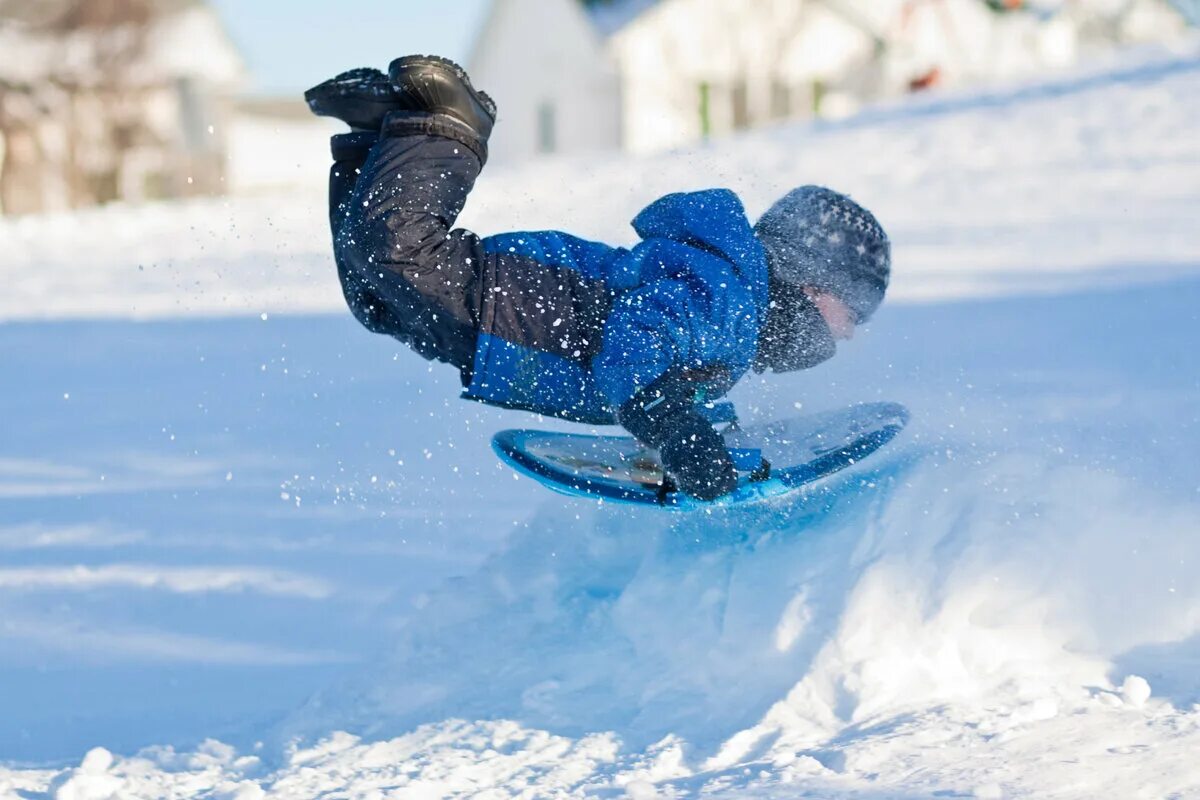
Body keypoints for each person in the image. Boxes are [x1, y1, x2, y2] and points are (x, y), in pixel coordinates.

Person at [306, 56, 891, 501]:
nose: (849, 335)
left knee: (377, 299)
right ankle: (449, 125)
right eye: (853, 315)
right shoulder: (732, 298)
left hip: (506, 328)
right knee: (402, 254)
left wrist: (699, 425)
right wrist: (674, 431)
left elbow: (675, 365)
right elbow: (640, 342)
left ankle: (380, 138)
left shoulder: (734, 311)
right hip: (525, 304)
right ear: (814, 286)